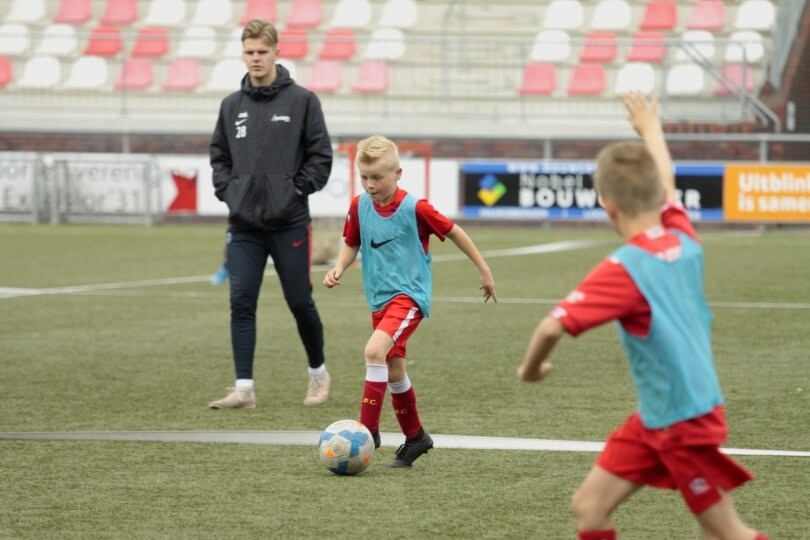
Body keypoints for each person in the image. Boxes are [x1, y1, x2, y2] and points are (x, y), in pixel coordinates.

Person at [516, 92, 768, 540]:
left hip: (683, 420)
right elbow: (666, 184)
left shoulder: (623, 270)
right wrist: (650, 127)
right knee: (589, 508)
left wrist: (531, 369)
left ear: (608, 206)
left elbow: (551, 325)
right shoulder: (682, 237)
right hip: (658, 417)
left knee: (728, 533)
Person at [324, 135, 497, 468]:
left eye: (377, 177)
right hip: (379, 300)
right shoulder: (359, 206)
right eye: (364, 177)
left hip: (409, 297)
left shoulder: (416, 208)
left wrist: (484, 270)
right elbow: (351, 242)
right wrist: (339, 267)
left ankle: (367, 431)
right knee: (393, 370)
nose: (370, 185)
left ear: (398, 174)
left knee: (374, 351)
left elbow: (456, 231)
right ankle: (416, 437)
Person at [208, 19, 333, 409]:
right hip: (244, 226)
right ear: (242, 54)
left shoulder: (303, 101)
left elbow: (320, 157)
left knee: (299, 301)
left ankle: (318, 374)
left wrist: (295, 190)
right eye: (249, 52)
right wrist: (231, 194)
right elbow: (219, 157)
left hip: (290, 223)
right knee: (241, 301)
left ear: (277, 51)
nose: (256, 59)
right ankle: (243, 389)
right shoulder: (232, 106)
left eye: (263, 51)